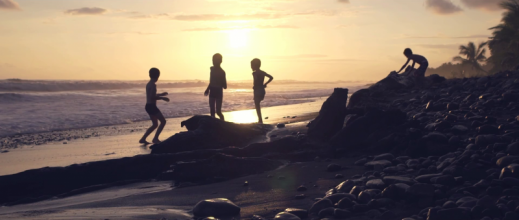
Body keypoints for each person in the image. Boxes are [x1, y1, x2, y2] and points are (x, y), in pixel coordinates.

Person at [139, 67, 169, 145]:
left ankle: (143, 139)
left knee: (155, 124)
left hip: (148, 106)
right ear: (157, 76)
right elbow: (152, 97)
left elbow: (151, 95)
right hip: (152, 107)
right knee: (163, 121)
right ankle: (155, 139)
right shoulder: (153, 85)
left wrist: (161, 94)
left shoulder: (148, 84)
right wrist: (163, 98)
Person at [204, 53, 227, 120]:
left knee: (218, 112)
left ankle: (223, 123)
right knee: (212, 111)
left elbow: (225, 86)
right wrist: (207, 89)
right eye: (213, 60)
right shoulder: (212, 70)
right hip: (212, 91)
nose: (213, 62)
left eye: (215, 60)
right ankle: (213, 125)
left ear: (220, 61)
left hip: (218, 92)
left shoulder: (222, 72)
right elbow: (211, 82)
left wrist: (219, 82)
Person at [250, 58, 273, 124]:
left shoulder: (254, 73)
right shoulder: (262, 72)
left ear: (255, 65)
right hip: (262, 90)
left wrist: (255, 86)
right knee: (258, 104)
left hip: (257, 90)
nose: (251, 67)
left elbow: (256, 81)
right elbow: (271, 77)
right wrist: (265, 84)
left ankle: (260, 120)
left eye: (252, 65)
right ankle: (260, 120)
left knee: (257, 105)